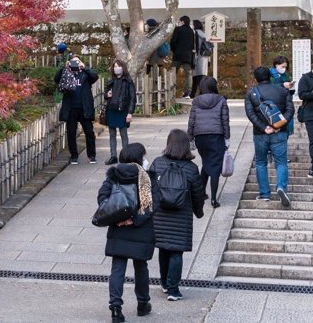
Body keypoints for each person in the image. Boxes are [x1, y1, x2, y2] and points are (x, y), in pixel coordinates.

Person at [99, 142, 159, 323]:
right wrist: (134, 219)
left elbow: (102, 197)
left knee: (117, 268)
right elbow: (153, 203)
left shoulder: (113, 175)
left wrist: (118, 218)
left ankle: (116, 309)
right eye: (144, 156)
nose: (145, 159)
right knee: (141, 267)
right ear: (140, 158)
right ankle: (143, 304)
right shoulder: (147, 179)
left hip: (118, 229)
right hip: (141, 230)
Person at [149, 129, 205, 302]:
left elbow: (149, 188)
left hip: (160, 214)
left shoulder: (158, 163)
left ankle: (165, 283)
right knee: (176, 252)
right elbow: (198, 193)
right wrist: (198, 211)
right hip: (181, 216)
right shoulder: (191, 168)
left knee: (164, 248)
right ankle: (173, 290)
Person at [245, 66, 295, 205]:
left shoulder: (251, 93)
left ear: (255, 79)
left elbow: (251, 114)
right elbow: (290, 109)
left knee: (261, 162)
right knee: (281, 162)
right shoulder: (283, 91)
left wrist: (264, 127)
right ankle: (281, 187)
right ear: (270, 77)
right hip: (280, 132)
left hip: (261, 133)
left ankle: (264, 194)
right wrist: (279, 125)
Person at [187, 77, 230, 208]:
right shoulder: (221, 100)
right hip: (216, 136)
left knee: (206, 162)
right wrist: (227, 138)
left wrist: (190, 138)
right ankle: (213, 199)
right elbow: (225, 120)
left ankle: (201, 193)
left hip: (200, 137)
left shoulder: (196, 101)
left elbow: (192, 120)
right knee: (215, 165)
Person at [56, 56, 100, 164]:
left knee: (89, 132)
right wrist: (64, 68)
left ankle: (91, 155)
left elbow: (95, 77)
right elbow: (56, 79)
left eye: (77, 61)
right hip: (71, 107)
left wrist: (85, 67)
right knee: (71, 133)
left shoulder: (85, 73)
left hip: (84, 107)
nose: (75, 63)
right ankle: (74, 155)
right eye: (73, 62)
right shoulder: (66, 73)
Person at [104, 59, 136, 165]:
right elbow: (105, 94)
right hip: (111, 109)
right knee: (112, 134)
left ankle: (125, 156)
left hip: (123, 110)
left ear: (123, 67)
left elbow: (132, 98)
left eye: (118, 66)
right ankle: (113, 156)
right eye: (115, 66)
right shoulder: (111, 80)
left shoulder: (128, 81)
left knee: (123, 134)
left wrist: (130, 112)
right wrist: (106, 95)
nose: (116, 68)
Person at [169, 16, 196, 97]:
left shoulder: (178, 29)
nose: (179, 23)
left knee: (172, 72)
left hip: (178, 55)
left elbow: (173, 41)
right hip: (188, 56)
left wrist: (174, 50)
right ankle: (187, 93)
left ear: (182, 22)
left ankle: (171, 91)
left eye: (180, 21)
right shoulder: (192, 31)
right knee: (188, 74)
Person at [191, 19, 209, 97]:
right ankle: (193, 93)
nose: (190, 25)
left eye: (192, 24)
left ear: (195, 25)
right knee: (197, 76)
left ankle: (203, 93)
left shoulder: (195, 33)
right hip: (204, 56)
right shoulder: (204, 34)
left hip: (197, 56)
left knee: (198, 77)